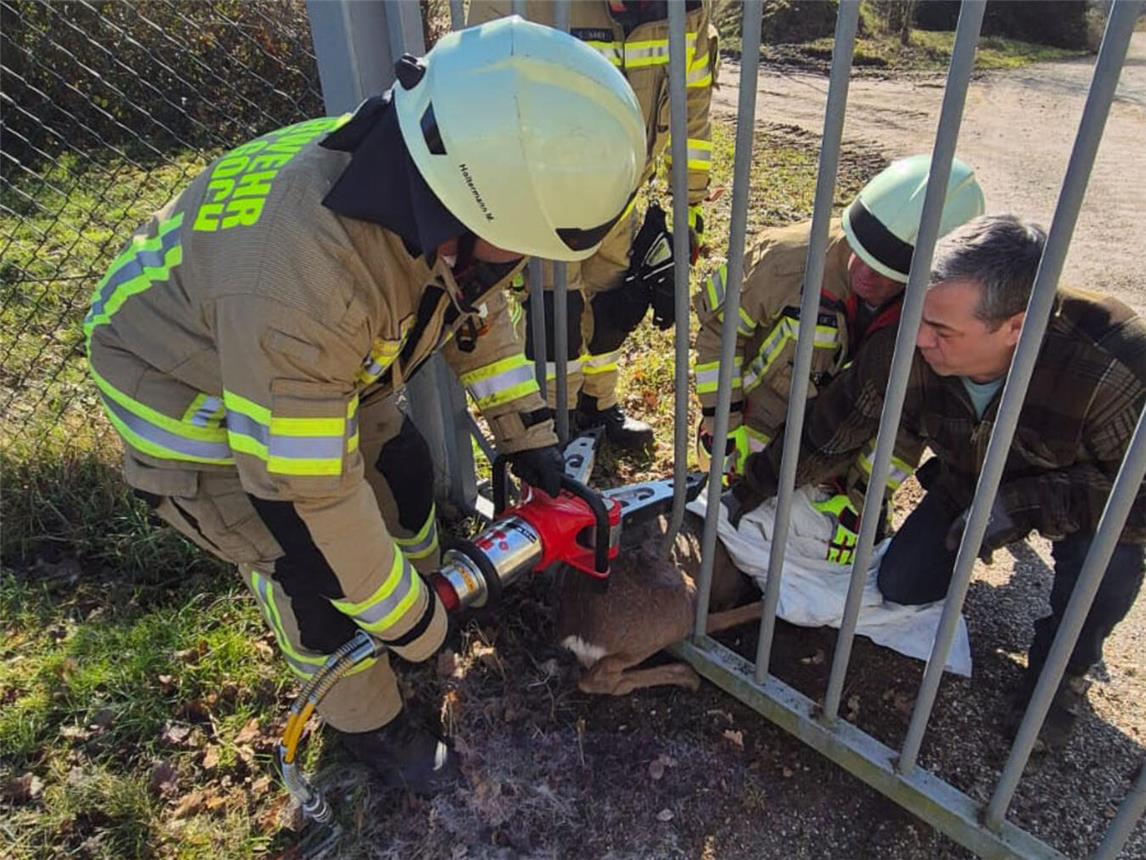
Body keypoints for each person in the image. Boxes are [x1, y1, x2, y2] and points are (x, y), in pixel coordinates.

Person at [83, 17, 646, 793]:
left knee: (406, 475)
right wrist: (405, 622)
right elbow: (305, 492)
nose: (522, 266)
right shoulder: (303, 277)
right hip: (190, 398)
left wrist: (528, 439)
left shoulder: (428, 183)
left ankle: (410, 619)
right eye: (519, 248)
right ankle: (373, 728)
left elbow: (471, 316)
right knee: (310, 574)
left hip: (301, 364)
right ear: (470, 219)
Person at [738, 214, 1146, 748]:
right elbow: (835, 425)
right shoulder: (916, 334)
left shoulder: (1116, 367)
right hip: (969, 481)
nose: (919, 340)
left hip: (1087, 498)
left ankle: (1058, 677)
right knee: (904, 584)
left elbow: (1137, 499)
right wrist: (750, 488)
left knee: (1105, 573)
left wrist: (1017, 507)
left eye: (942, 331)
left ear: (1016, 327)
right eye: (918, 317)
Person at [702, 155, 984, 564]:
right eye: (861, 252)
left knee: (833, 551)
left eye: (889, 271)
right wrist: (720, 418)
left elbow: (906, 428)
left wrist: (863, 502)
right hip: (756, 420)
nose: (865, 273)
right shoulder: (786, 260)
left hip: (849, 448)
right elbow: (719, 333)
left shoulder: (934, 321)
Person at [467, 0, 720, 450]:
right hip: (546, 190)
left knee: (612, 299)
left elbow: (692, 114)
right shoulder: (536, 7)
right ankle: (553, 417)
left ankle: (597, 405)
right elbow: (479, 87)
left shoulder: (689, 12)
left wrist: (689, 208)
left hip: (622, 190)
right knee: (553, 307)